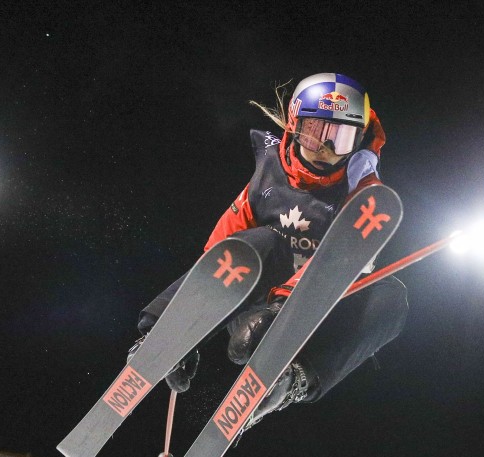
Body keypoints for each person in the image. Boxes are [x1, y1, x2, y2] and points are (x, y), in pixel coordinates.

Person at [133, 73, 408, 433]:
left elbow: (344, 266)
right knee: (264, 242)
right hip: (252, 308)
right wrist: (185, 326)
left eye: (339, 138)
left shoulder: (364, 194)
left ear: (357, 141)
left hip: (306, 319)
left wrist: (283, 309)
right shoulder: (270, 173)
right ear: (295, 125)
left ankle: (293, 381)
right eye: (314, 133)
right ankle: (159, 337)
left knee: (391, 297)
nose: (324, 148)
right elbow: (221, 251)